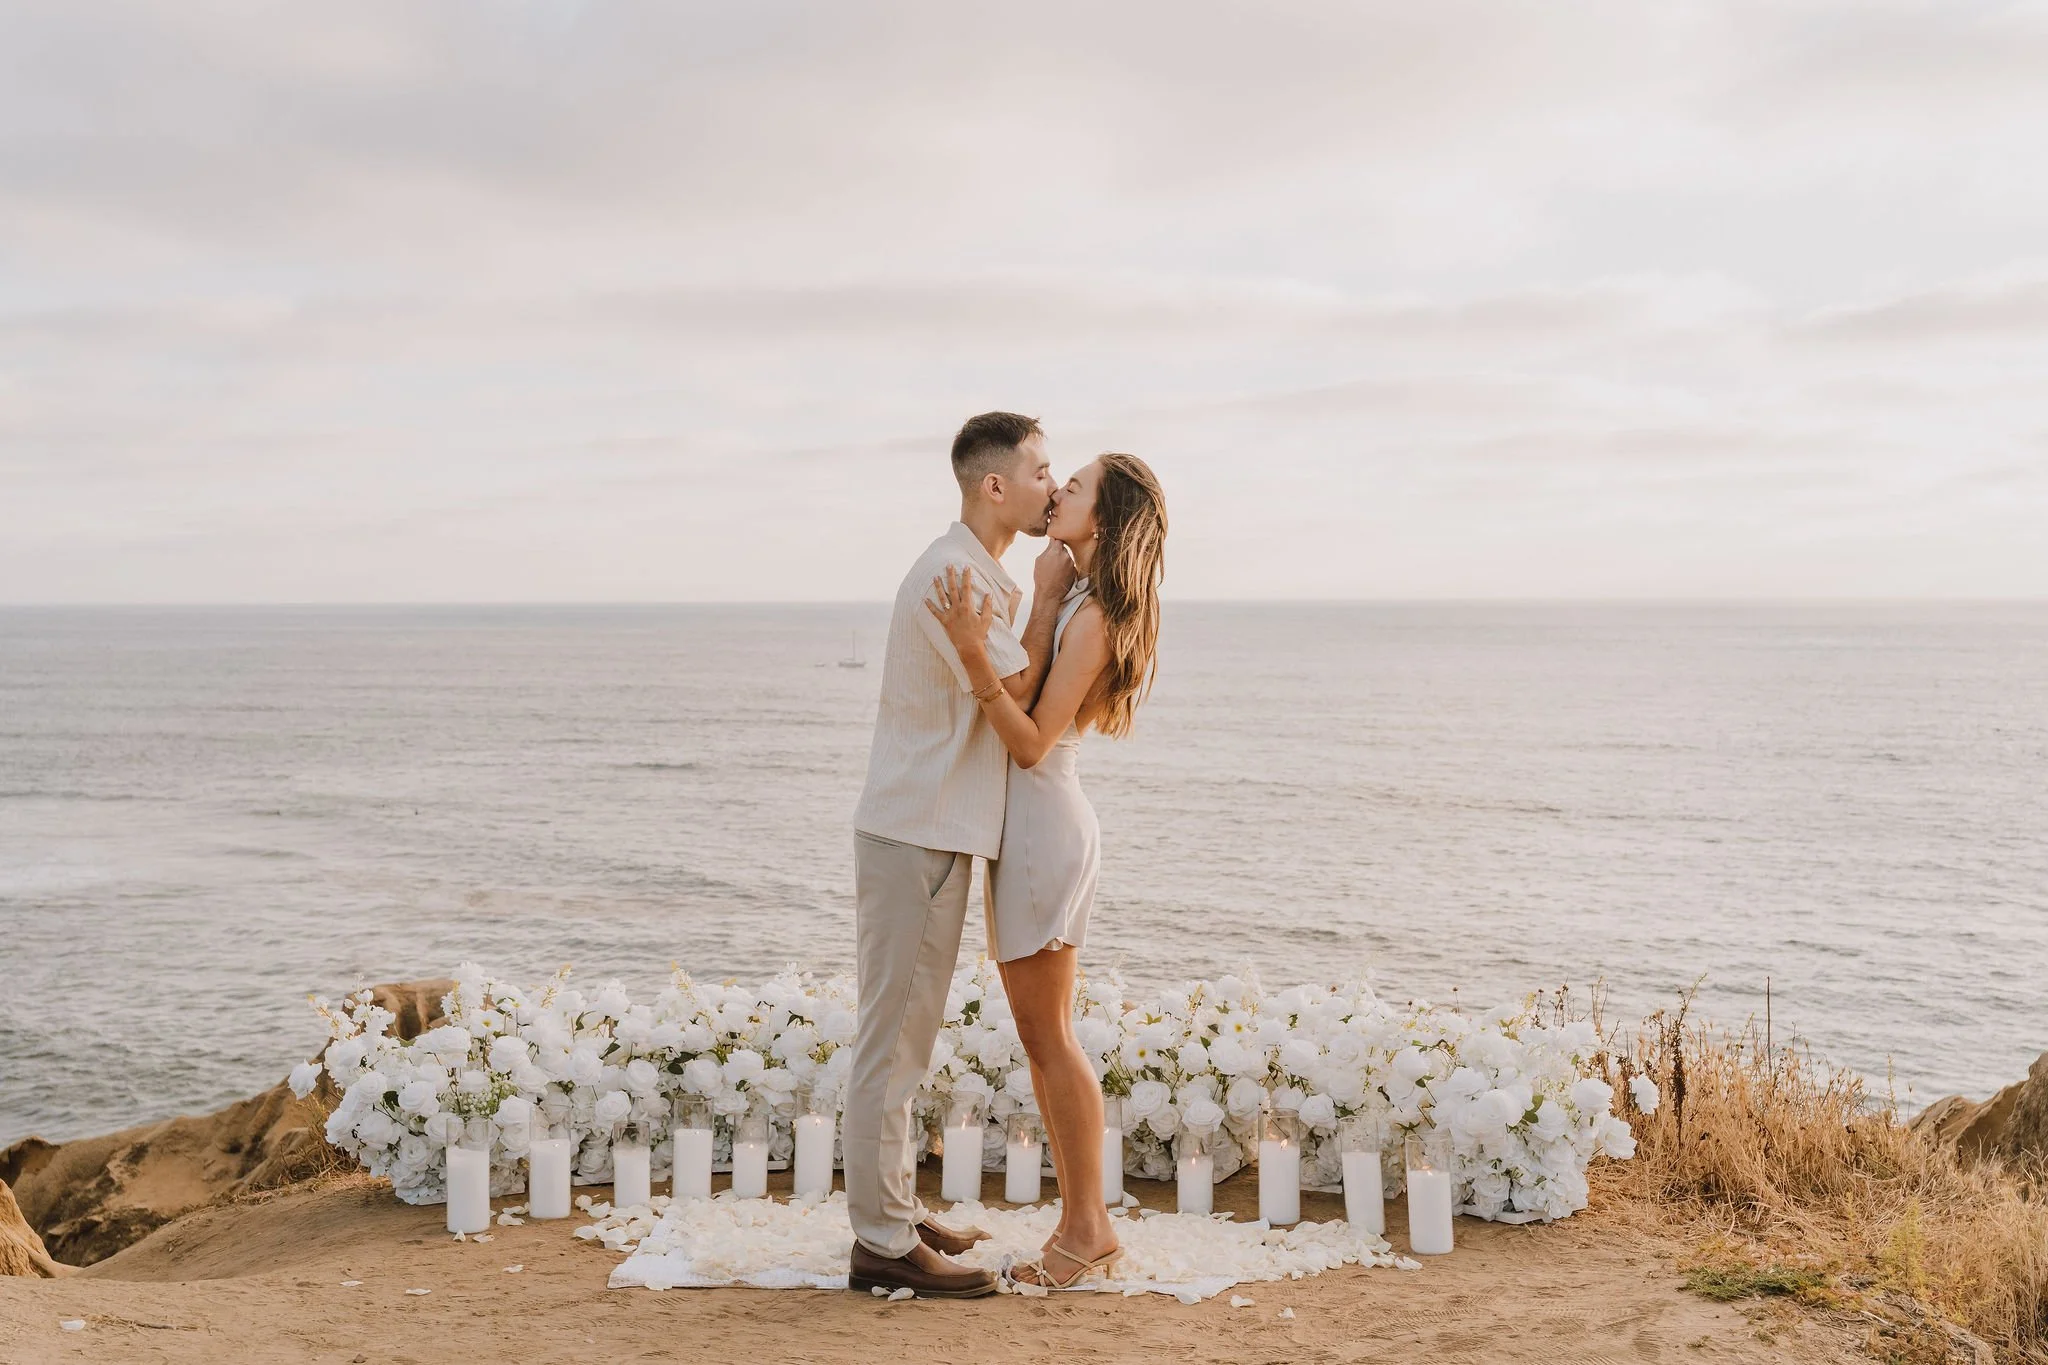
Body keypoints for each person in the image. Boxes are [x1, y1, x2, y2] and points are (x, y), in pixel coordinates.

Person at [843, 411, 1077, 1299]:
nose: (1053, 486)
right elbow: (1012, 691)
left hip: (930, 831)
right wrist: (1052, 596)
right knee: (892, 1044)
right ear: (995, 485)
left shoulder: (976, 570)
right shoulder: (955, 574)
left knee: (906, 1037)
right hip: (918, 833)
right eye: (1042, 470)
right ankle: (880, 1242)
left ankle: (894, 1213)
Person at [925, 452, 1168, 1289]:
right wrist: (1046, 596)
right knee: (1041, 1037)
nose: (1059, 489)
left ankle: (1087, 1227)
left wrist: (970, 651)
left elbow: (1028, 745)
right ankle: (1082, 1222)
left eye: (1078, 487)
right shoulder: (1080, 604)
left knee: (1051, 1037)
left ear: (1104, 517)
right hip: (1032, 829)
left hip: (1044, 827)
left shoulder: (1098, 618)